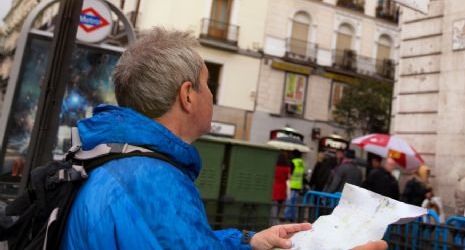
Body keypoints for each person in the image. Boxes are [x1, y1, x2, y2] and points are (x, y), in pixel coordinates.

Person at [61, 28, 386, 250]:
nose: (212, 94)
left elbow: (182, 241)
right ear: (188, 96)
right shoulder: (151, 181)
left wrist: (250, 241)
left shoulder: (124, 162)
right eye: (207, 83)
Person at [283, 150, 305, 221]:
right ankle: (292, 217)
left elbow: (290, 174)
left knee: (289, 201)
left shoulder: (293, 162)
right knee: (295, 203)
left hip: (292, 185)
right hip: (298, 186)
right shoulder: (301, 162)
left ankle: (286, 217)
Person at [271, 151, 290, 222]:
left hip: (275, 188)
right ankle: (276, 219)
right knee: (279, 206)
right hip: (282, 188)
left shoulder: (274, 167)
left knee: (273, 207)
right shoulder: (287, 168)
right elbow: (288, 178)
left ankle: (273, 221)